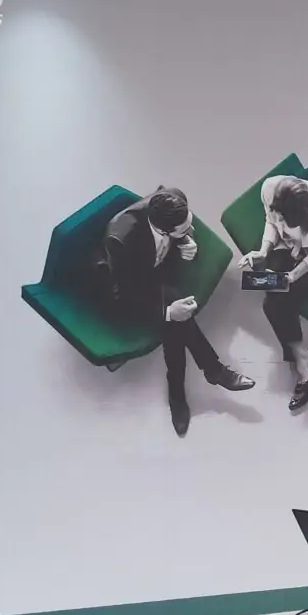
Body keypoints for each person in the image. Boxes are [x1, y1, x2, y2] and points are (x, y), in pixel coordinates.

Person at [99, 186, 255, 437]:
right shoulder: (121, 241)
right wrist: (168, 312)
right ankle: (210, 373)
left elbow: (186, 228)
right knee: (176, 321)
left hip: (160, 271)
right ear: (163, 230)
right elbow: (125, 295)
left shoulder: (172, 197)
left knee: (176, 323)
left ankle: (181, 392)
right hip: (130, 287)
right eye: (182, 229)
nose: (190, 228)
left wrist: (187, 239)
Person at [239, 175, 308, 411]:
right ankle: (300, 353)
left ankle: (298, 355)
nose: (279, 219)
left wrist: (294, 274)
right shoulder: (270, 188)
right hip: (290, 245)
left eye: (284, 219)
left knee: (275, 301)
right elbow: (271, 221)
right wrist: (263, 251)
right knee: (274, 297)